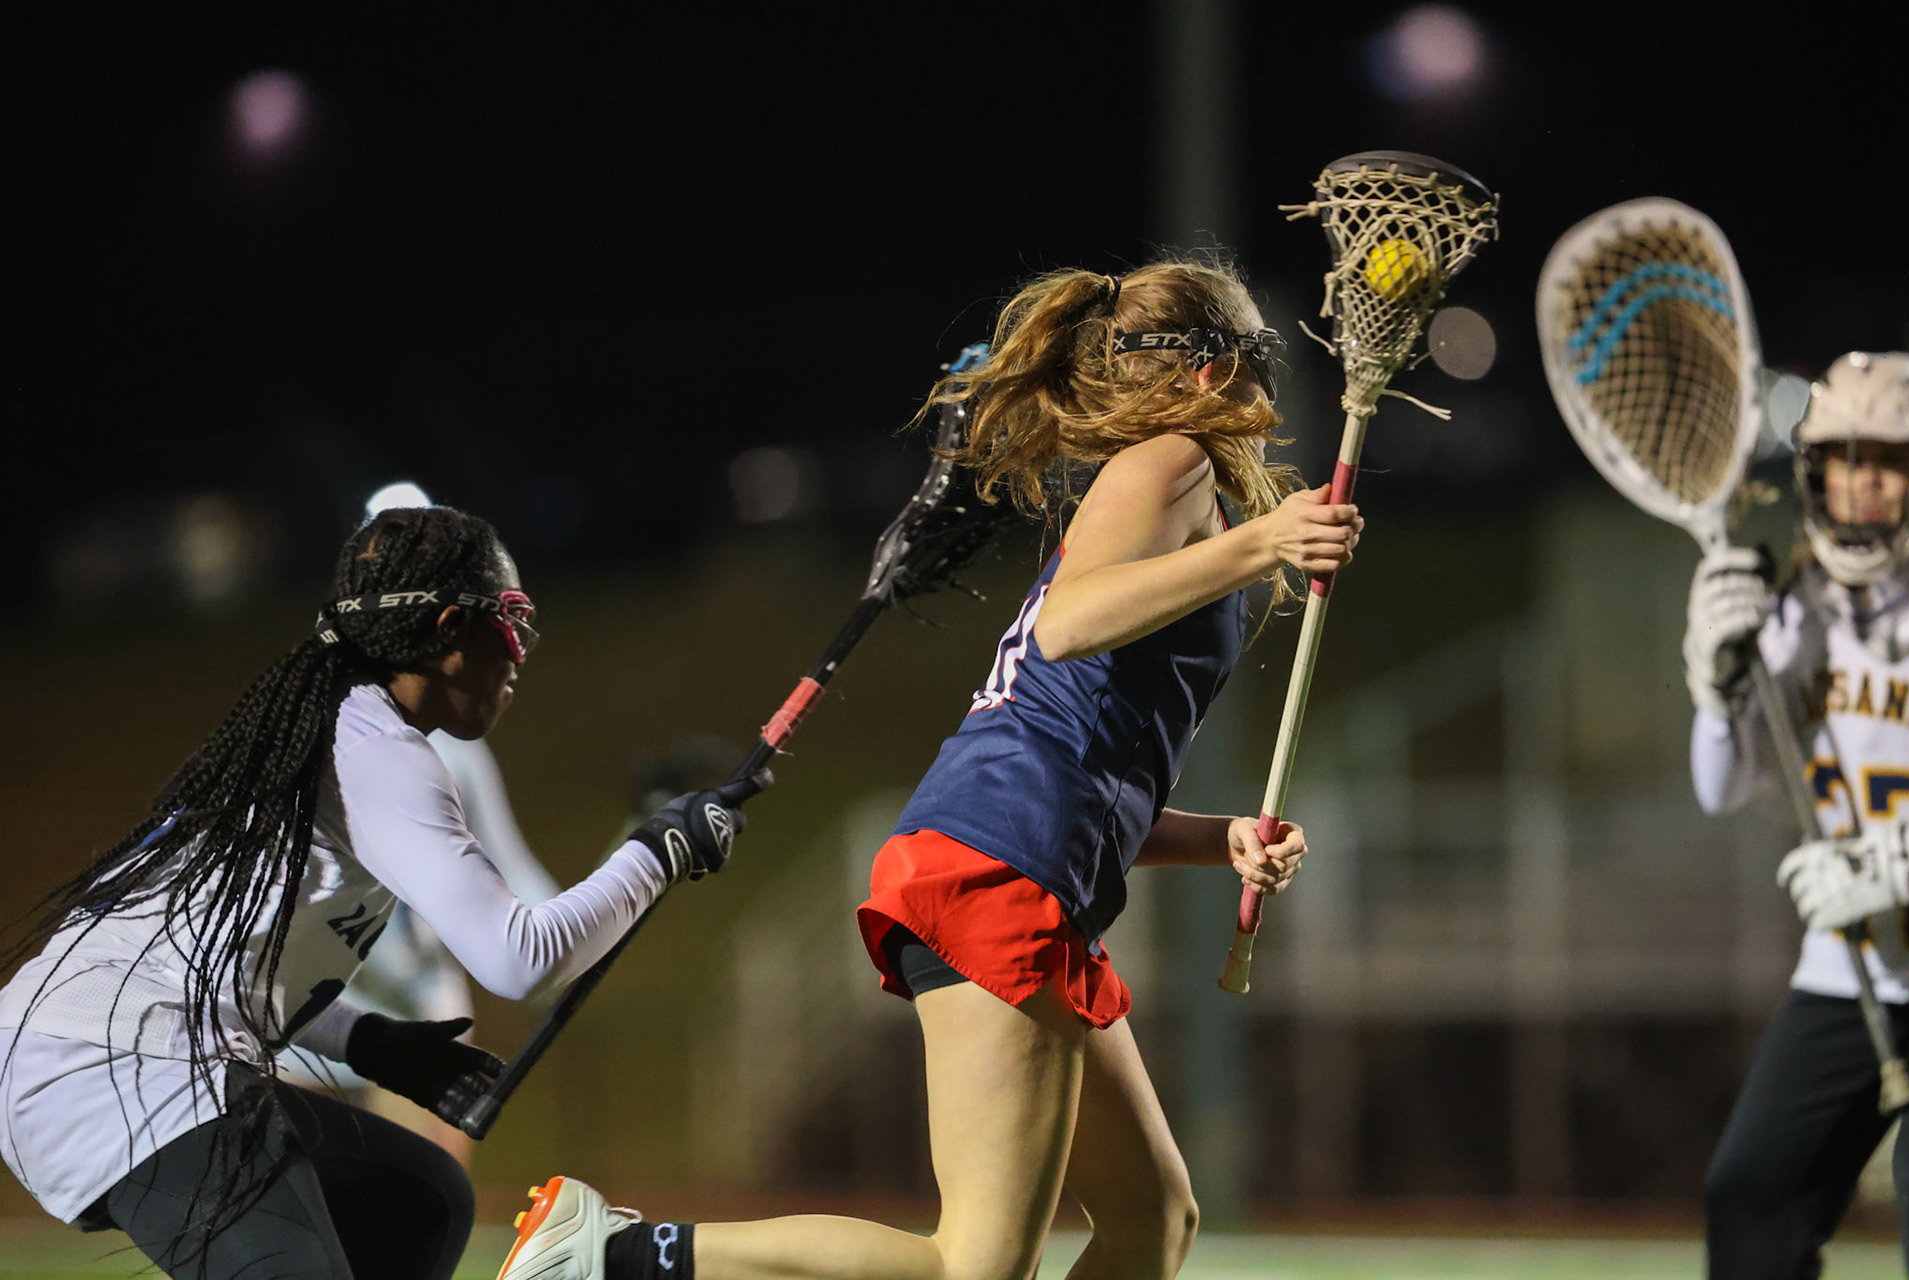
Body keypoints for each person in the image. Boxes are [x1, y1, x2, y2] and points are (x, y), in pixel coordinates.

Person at [493, 259, 1363, 1280]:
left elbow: (1087, 751)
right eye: (1257, 358)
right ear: (1211, 370)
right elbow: (1073, 625)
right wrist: (1263, 542)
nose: (1272, 387)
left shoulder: (1176, 490)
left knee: (1152, 1221)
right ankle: (613, 1254)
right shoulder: (1168, 462)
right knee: (976, 1266)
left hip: (1020, 858)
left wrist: (1217, 838)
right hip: (1001, 865)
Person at [0, 504, 764, 1280]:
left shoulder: (328, 731)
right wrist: (658, 852)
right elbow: (521, 959)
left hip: (96, 1050)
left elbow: (224, 964)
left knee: (420, 1198)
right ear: (444, 629)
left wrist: (365, 1039)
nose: (519, 653)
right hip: (123, 1063)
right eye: (508, 622)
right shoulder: (378, 752)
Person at [1687, 351, 1909, 1278]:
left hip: (1882, 920)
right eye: (1846, 457)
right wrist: (1714, 686)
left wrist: (1895, 862)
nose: (1866, 481)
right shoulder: (1792, 607)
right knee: (1752, 1195)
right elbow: (1722, 785)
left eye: (1893, 457)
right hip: (1854, 965)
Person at [278, 483, 563, 1171]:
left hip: (392, 1017)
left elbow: (514, 881)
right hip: (323, 1014)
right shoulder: (329, 736)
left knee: (411, 1223)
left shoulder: (437, 748)